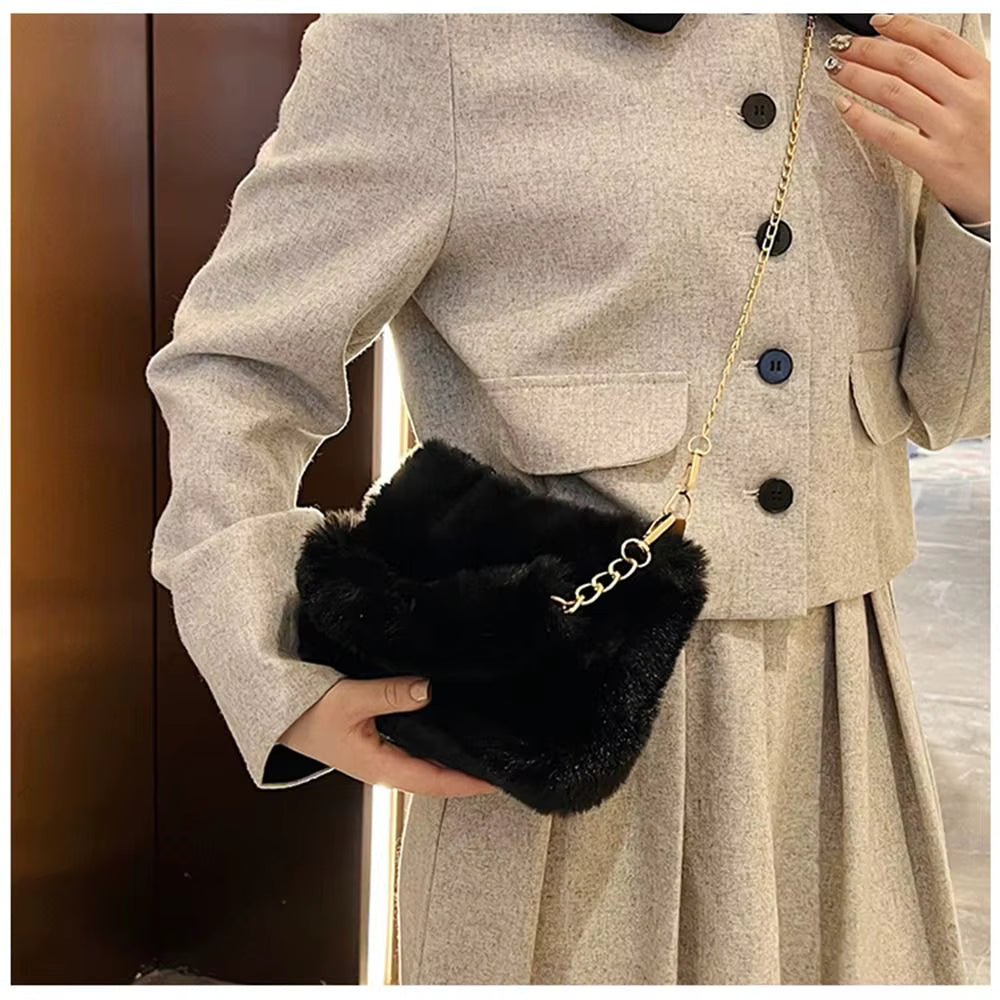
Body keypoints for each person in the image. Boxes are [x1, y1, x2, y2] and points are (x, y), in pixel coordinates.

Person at [144, 12, 990, 986]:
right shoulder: (436, 36)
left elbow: (951, 407)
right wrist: (270, 661)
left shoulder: (914, 23)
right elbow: (239, 367)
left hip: (840, 716)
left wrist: (983, 208)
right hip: (567, 717)